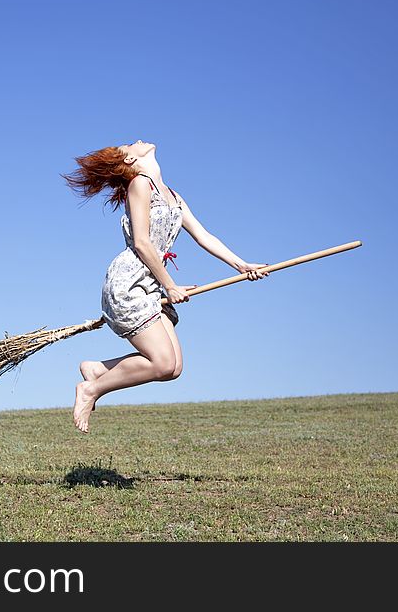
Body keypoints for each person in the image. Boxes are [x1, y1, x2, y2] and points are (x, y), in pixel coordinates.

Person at [61, 139, 270, 433]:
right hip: (130, 283)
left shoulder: (173, 196)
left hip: (151, 285)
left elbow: (204, 236)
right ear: (130, 161)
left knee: (173, 369)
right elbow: (143, 243)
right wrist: (170, 285)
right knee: (161, 363)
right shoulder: (140, 185)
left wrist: (242, 265)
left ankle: (99, 370)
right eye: (129, 145)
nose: (137, 141)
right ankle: (91, 390)